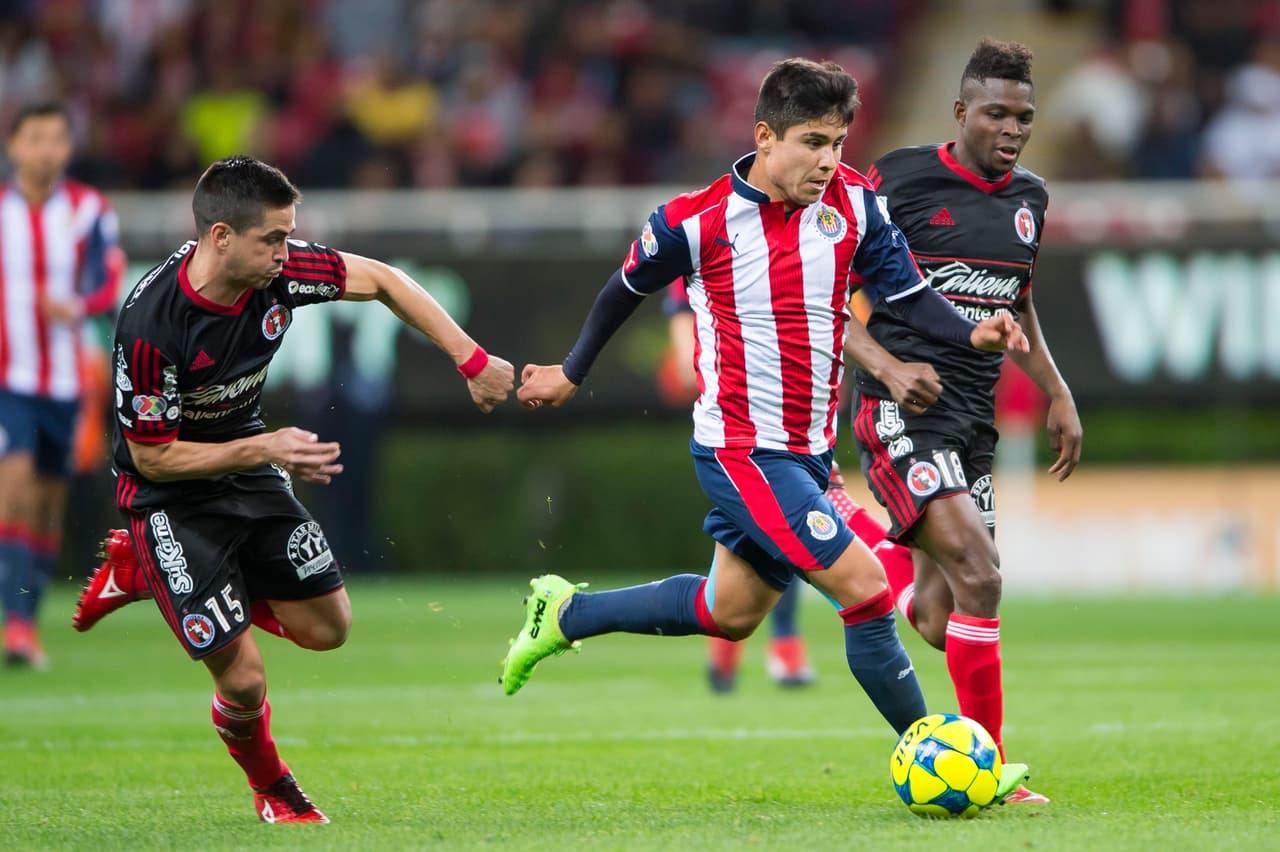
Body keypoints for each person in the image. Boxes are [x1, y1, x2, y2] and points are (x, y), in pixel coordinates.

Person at [503, 57, 1031, 769]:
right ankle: (949, 761)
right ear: (765, 136)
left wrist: (973, 332)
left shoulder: (855, 206)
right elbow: (623, 290)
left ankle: (566, 614)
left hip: (807, 453)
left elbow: (906, 296)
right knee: (867, 589)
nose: (829, 160)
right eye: (813, 142)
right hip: (741, 452)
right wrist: (571, 373)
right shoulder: (695, 221)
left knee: (731, 611)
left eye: (839, 142)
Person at [70, 156, 515, 823]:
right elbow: (152, 459)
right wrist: (266, 447)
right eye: (271, 240)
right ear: (221, 237)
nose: (286, 253)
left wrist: (471, 359)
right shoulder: (151, 323)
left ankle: (145, 578)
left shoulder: (283, 273)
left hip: (246, 462)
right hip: (168, 497)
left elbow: (387, 281)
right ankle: (274, 789)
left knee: (329, 627)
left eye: (288, 236)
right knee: (244, 679)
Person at [848, 38, 1082, 806]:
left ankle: (867, 561)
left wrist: (1055, 388)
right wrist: (886, 368)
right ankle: (994, 777)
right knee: (983, 576)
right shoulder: (901, 178)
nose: (1012, 129)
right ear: (960, 111)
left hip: (971, 423)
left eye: (1025, 116)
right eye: (996, 114)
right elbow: (828, 297)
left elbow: (1015, 299)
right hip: (902, 408)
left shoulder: (1031, 200)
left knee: (938, 613)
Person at [0, 102, 123, 669]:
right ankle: (16, 629)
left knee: (48, 508)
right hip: (8, 379)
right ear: (14, 147)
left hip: (67, 382)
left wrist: (74, 306)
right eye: (36, 138)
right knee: (15, 487)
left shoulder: (89, 211)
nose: (46, 148)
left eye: (57, 137)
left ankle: (25, 621)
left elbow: (108, 282)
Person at [661, 277, 815, 692]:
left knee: (785, 532)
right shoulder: (699, 249)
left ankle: (764, 646)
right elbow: (682, 362)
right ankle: (764, 645)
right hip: (729, 426)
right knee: (763, 530)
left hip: (778, 419)